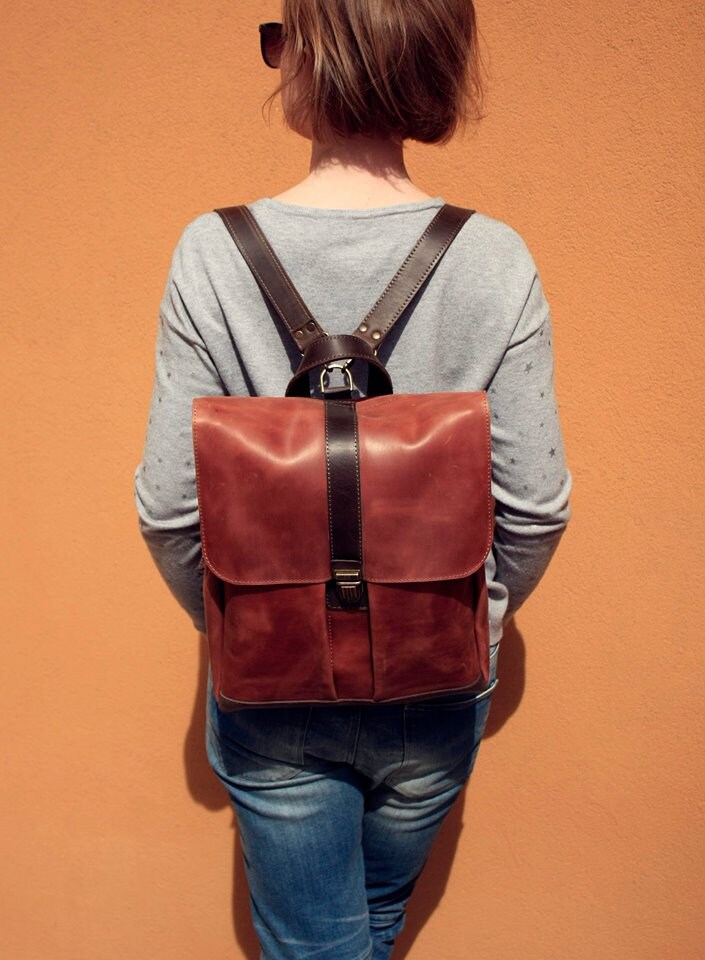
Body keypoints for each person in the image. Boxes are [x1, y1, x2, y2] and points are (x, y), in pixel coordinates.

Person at [133, 2, 573, 958]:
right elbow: (534, 513)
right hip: (433, 684)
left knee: (317, 945)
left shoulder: (213, 251)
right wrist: (468, 621)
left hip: (273, 689)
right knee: (367, 927)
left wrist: (255, 618)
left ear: (312, 52)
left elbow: (169, 511)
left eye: (278, 33)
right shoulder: (494, 258)